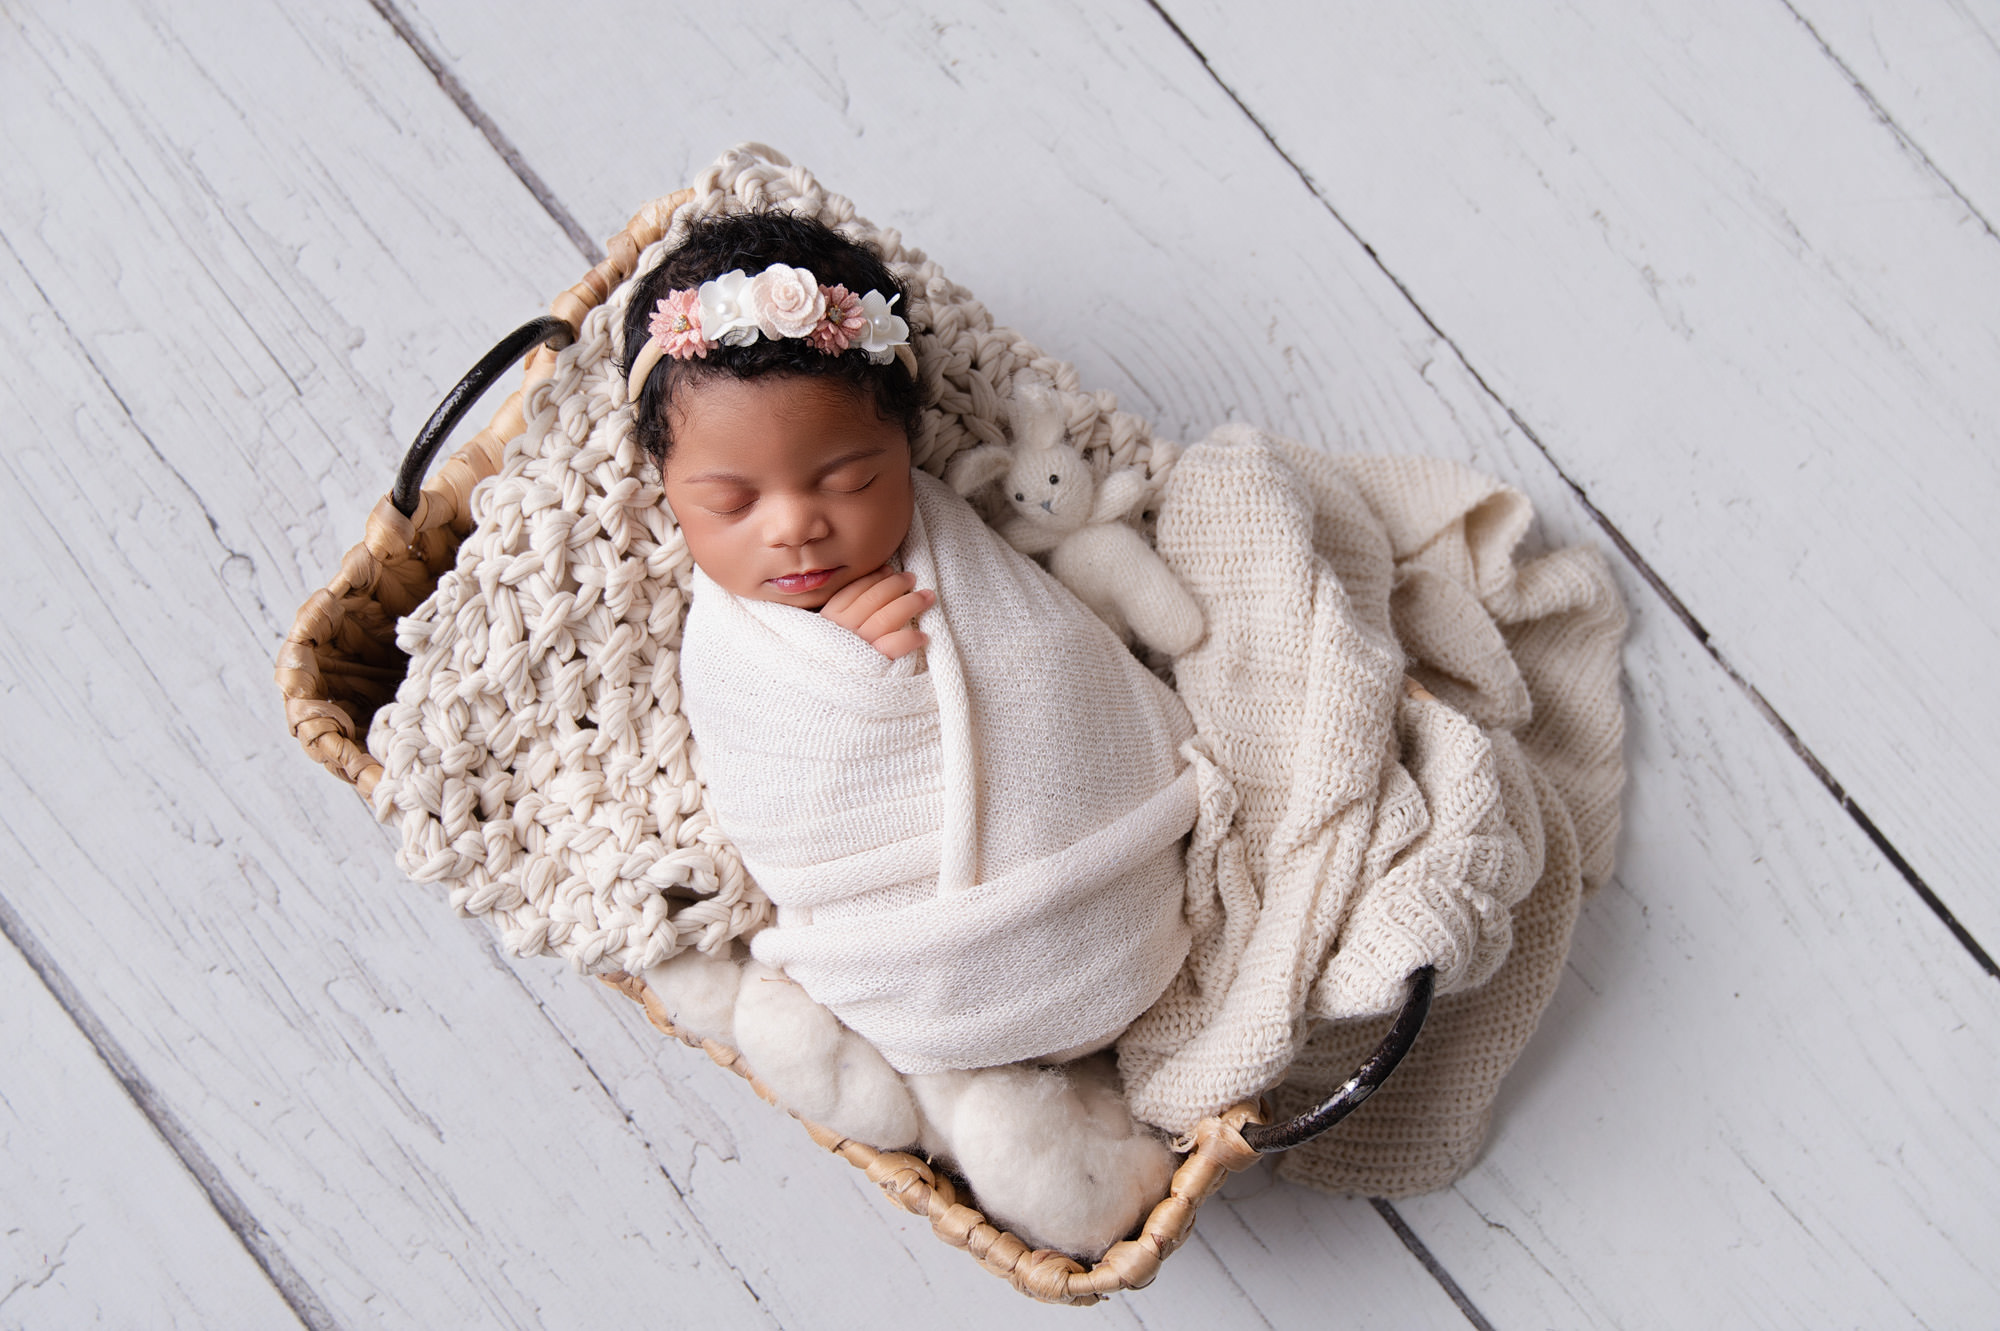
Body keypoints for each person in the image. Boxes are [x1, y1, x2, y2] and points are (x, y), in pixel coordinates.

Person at [622, 211, 1193, 1258]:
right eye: (731, 498)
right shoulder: (729, 646)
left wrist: (915, 649)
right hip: (915, 957)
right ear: (666, 487)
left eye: (845, 478)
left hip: (1118, 886)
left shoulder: (950, 537)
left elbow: (1048, 664)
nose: (793, 524)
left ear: (905, 446)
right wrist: (847, 676)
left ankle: (1028, 1087)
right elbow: (774, 781)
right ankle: (999, 1094)